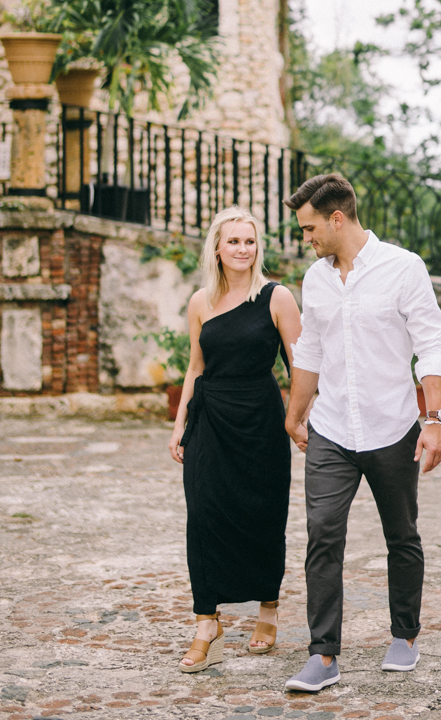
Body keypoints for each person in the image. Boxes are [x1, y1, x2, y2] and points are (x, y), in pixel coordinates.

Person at [282, 173, 441, 694]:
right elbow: (309, 351)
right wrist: (295, 415)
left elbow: (431, 344)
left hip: (393, 426)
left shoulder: (403, 268)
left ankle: (404, 636)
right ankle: (323, 654)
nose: (306, 239)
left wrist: (434, 421)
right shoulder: (315, 279)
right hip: (332, 428)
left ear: (338, 218)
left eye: (311, 228)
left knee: (401, 535)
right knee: (322, 537)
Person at [168, 206, 302, 672]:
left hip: (261, 420)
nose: (242, 249)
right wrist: (179, 422)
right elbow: (195, 367)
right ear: (218, 248)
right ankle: (207, 622)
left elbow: (300, 364)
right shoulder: (200, 301)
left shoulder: (277, 296)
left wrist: (298, 418)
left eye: (249, 241)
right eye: (233, 241)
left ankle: (268, 609)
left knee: (263, 513)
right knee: (203, 516)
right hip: (210, 419)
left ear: (256, 247)